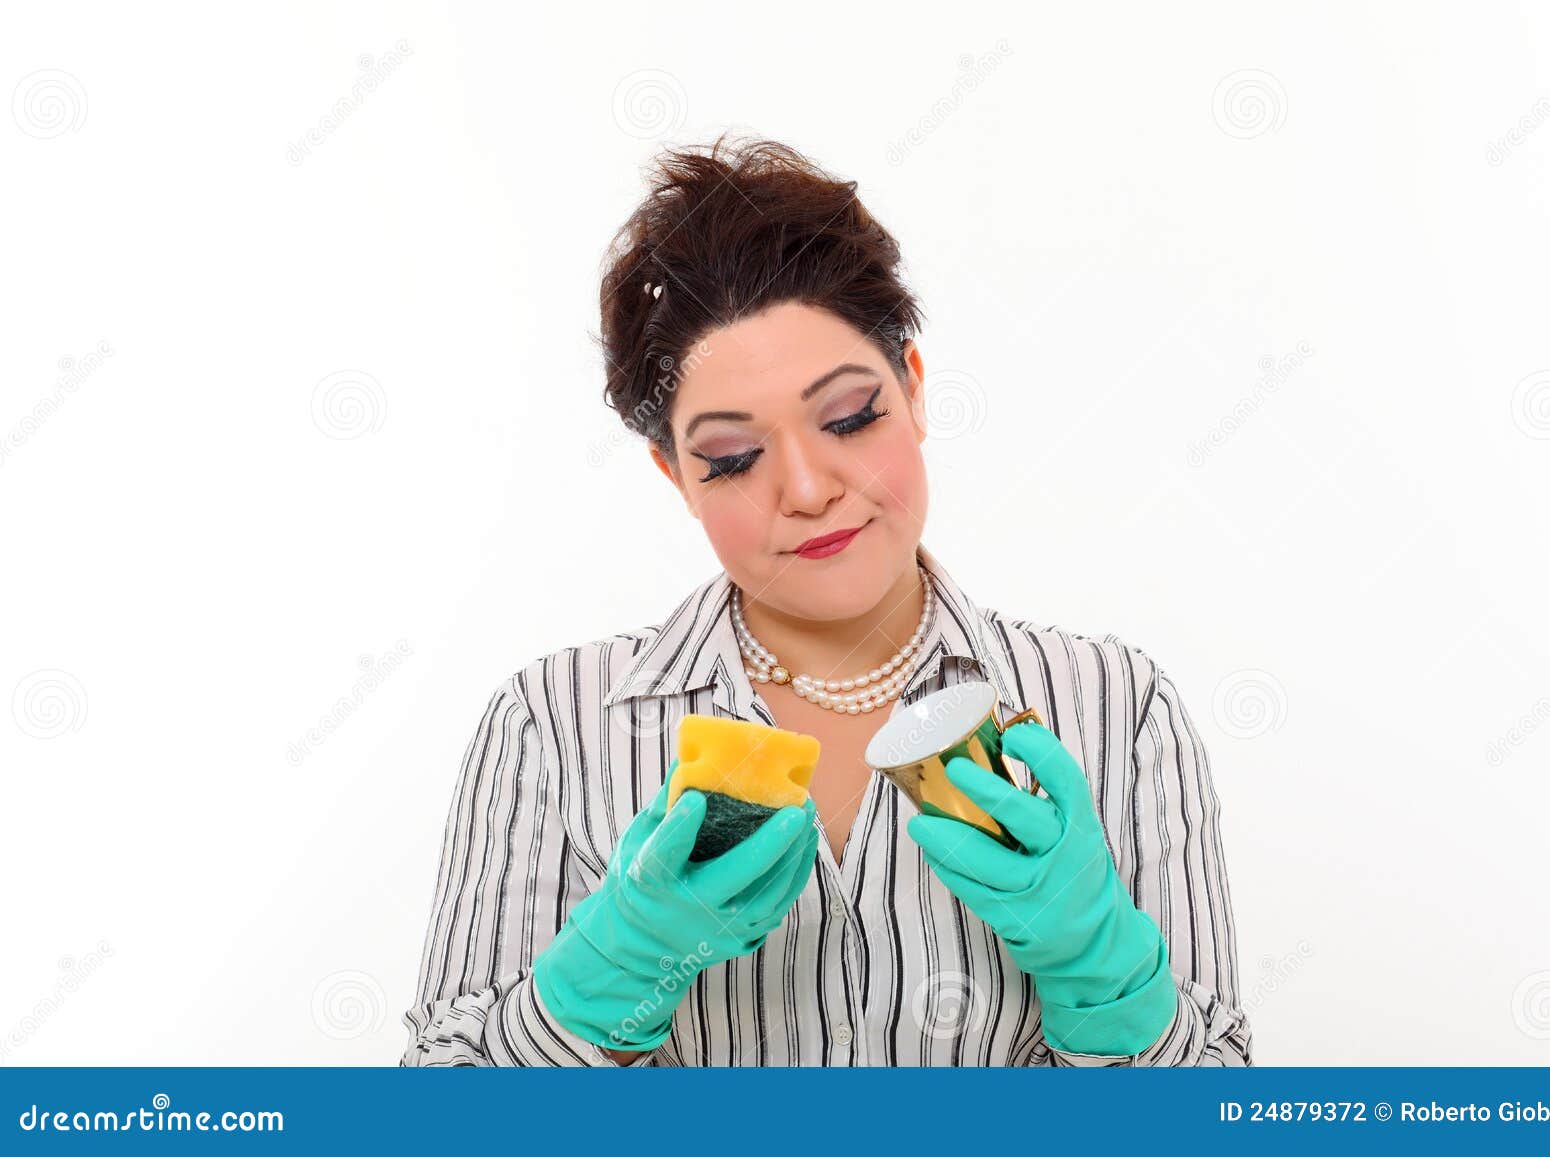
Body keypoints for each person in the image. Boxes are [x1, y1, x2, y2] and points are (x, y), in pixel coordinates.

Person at [400, 135, 1253, 1067]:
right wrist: (610, 973)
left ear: (913, 390)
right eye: (733, 458)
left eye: (849, 418)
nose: (807, 489)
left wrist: (1107, 975)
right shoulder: (553, 725)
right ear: (676, 474)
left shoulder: (1118, 707)